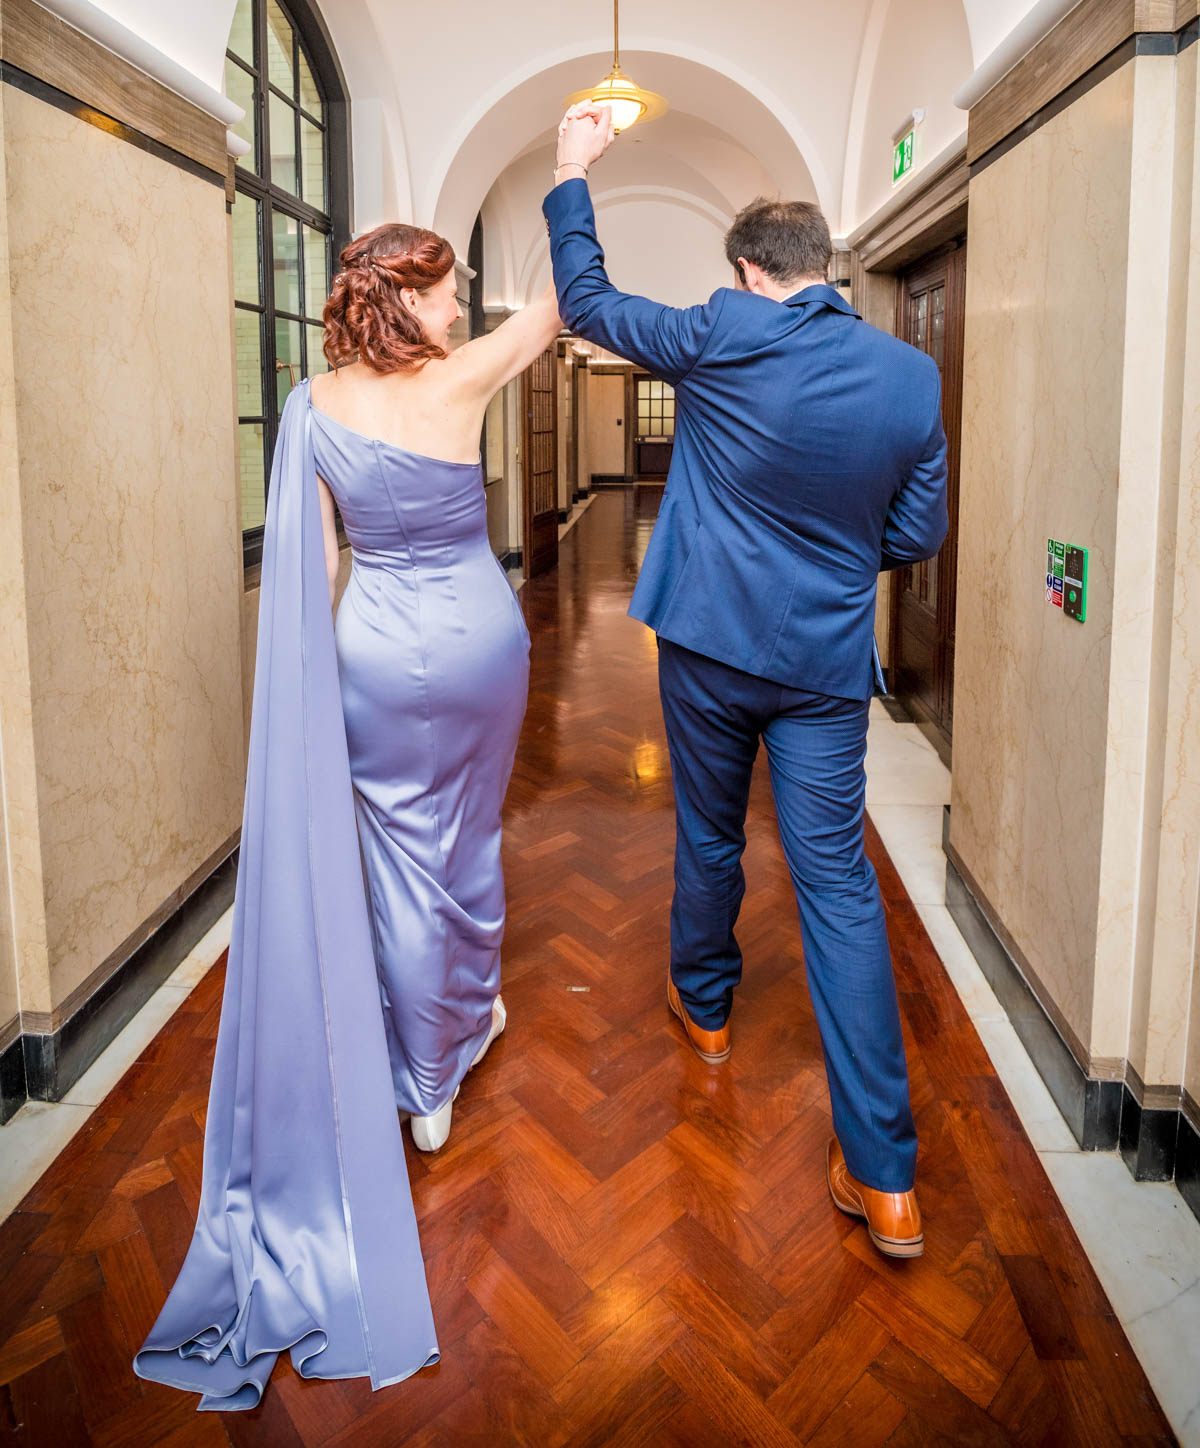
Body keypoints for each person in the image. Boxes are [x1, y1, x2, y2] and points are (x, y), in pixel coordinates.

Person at [134, 224, 561, 1410]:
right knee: (469, 836)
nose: (465, 305)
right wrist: (573, 175)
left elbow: (317, 571)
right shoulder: (462, 381)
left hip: (376, 648)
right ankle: (438, 1068)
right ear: (407, 296)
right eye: (451, 287)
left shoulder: (311, 403)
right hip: (477, 643)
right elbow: (563, 305)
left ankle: (437, 1032)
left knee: (400, 854)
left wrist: (315, 688)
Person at [545, 104, 948, 1260]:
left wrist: (574, 172)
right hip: (823, 666)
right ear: (821, 269)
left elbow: (589, 303)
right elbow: (913, 532)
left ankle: (708, 1014)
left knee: (711, 838)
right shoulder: (909, 378)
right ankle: (887, 1182)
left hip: (711, 651)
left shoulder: (725, 332)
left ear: (747, 272)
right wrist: (824, 562)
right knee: (839, 890)